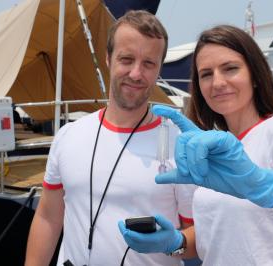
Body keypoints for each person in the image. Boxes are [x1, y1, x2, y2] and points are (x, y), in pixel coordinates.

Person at [118, 25, 273, 265]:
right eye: (206, 74)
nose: (217, 82)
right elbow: (215, 235)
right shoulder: (214, 146)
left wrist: (262, 184)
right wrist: (176, 243)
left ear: (255, 76)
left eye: (230, 69)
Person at [25, 10, 195, 266]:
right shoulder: (68, 136)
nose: (136, 74)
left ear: (159, 68)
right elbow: (49, 216)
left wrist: (174, 245)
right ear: (108, 59)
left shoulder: (181, 144)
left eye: (149, 63)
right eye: (126, 59)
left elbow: (199, 236)